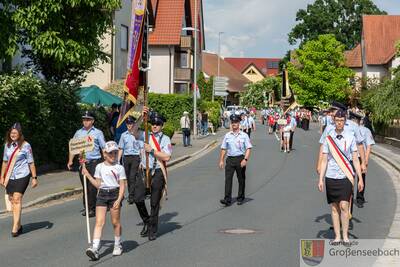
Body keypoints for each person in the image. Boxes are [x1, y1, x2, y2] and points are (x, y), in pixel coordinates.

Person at [318, 110, 363, 244]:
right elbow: (325, 159)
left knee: (344, 205)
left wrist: (360, 178)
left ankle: (345, 236)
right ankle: (337, 236)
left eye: (342, 121)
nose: (339, 123)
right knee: (334, 207)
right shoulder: (329, 137)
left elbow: (355, 159)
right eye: (337, 120)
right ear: (334, 121)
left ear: (345, 121)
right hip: (331, 176)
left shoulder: (350, 137)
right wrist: (320, 178)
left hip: (346, 175)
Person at [82, 141, 126, 261]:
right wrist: (87, 174)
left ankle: (117, 244)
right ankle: (95, 248)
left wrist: (119, 198)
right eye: (110, 153)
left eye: (115, 152)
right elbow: (98, 184)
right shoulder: (99, 167)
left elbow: (122, 185)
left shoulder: (119, 168)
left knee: (115, 222)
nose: (113, 155)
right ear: (105, 154)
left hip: (114, 194)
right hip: (102, 194)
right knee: (99, 222)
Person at [136, 108, 172, 241]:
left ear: (162, 125)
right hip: (144, 170)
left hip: (157, 171)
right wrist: (141, 117)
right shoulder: (144, 134)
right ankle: (146, 220)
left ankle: (152, 229)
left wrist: (152, 151)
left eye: (157, 124)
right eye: (153, 123)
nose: (155, 126)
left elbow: (167, 157)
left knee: (154, 202)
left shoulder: (165, 138)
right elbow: (132, 131)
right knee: (137, 198)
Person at [1, 123, 38, 237]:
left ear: (20, 134)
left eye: (15, 133)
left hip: (23, 175)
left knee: (17, 198)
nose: (13, 135)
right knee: (12, 200)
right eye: (11, 133)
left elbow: (31, 162)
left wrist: (34, 178)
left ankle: (15, 227)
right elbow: (5, 162)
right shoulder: (7, 145)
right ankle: (19, 224)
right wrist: (2, 176)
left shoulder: (26, 146)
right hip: (10, 177)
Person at [67, 111, 106, 217]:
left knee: (92, 186)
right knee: (85, 186)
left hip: (94, 162)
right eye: (84, 119)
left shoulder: (98, 133)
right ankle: (87, 207)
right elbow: (73, 147)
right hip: (83, 163)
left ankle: (92, 209)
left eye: (88, 119)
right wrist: (70, 160)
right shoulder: (79, 133)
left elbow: (103, 147)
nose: (85, 121)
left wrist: (106, 161)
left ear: (92, 121)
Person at [219, 114, 252, 206]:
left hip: (240, 158)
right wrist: (221, 160)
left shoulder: (244, 135)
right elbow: (223, 148)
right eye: (232, 122)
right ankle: (227, 199)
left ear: (239, 123)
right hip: (230, 159)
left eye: (236, 122)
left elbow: (248, 148)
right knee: (228, 179)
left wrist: (245, 159)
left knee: (241, 179)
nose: (234, 124)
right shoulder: (227, 135)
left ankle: (240, 197)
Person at [354, 113, 375, 208]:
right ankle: (348, 196)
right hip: (351, 157)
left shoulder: (366, 130)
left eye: (355, 120)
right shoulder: (348, 130)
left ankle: (360, 198)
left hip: (360, 157)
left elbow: (369, 145)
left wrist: (365, 160)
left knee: (361, 178)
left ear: (359, 121)